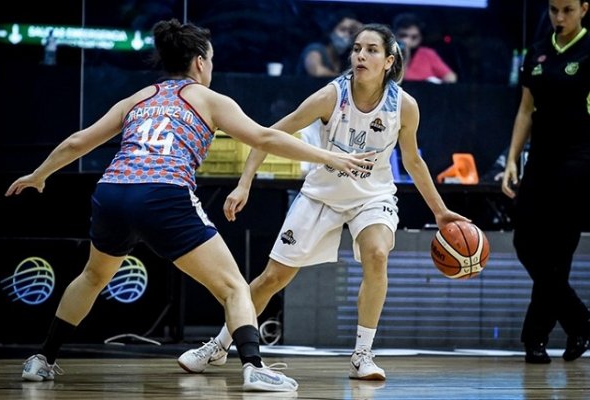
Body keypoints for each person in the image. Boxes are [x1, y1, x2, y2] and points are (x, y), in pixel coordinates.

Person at [5, 18, 374, 391]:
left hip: (113, 192)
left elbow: (77, 142)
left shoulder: (139, 98)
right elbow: (265, 137)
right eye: (210, 60)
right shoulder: (209, 99)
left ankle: (42, 359)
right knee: (233, 287)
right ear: (200, 62)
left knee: (92, 277)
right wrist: (329, 156)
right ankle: (254, 367)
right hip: (163, 194)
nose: (210, 66)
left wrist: (40, 174)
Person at [178, 23, 469, 380]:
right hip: (322, 195)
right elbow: (271, 134)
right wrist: (244, 181)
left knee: (377, 254)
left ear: (389, 61)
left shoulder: (404, 106)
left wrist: (440, 212)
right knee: (273, 278)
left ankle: (362, 355)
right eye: (357, 48)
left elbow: (413, 161)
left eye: (371, 50)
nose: (360, 55)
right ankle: (220, 345)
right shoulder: (331, 96)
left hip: (372, 197)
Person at [501, 0, 590, 364]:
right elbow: (526, 109)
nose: (559, 17)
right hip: (540, 158)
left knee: (558, 251)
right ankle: (580, 322)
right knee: (525, 241)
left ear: (584, 8)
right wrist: (511, 158)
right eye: (554, 10)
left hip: (580, 158)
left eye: (568, 9)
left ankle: (534, 340)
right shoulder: (537, 52)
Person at [392, 12, 457, 84]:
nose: (408, 41)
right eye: (403, 36)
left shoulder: (427, 53)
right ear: (395, 34)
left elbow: (451, 77)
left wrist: (435, 83)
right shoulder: (387, 53)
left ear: (420, 38)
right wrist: (405, 55)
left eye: (414, 37)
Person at [296, 10, 362, 77]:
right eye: (342, 29)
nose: (346, 35)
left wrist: (361, 28)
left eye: (350, 32)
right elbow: (316, 71)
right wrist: (343, 79)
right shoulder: (315, 49)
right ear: (331, 31)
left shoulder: (346, 58)